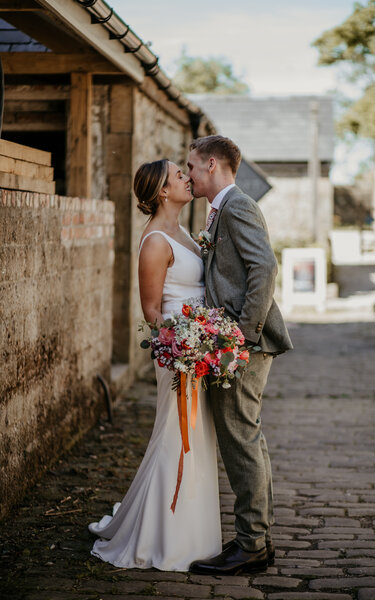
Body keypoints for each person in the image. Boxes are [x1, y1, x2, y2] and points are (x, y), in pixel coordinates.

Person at [88, 159, 222, 571]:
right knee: (176, 436)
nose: (187, 176)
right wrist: (186, 346)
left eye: (186, 171)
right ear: (163, 191)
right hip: (178, 352)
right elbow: (152, 312)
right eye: (178, 175)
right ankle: (161, 536)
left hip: (199, 348)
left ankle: (192, 531)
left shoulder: (182, 231)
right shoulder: (154, 243)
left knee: (197, 439)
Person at [187, 135, 293, 576]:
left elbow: (264, 268)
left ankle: (251, 545)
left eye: (191, 166)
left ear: (212, 164)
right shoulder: (222, 209)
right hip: (232, 342)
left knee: (241, 441)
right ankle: (256, 540)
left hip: (242, 346)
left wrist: (241, 338)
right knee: (247, 438)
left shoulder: (238, 205)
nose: (188, 174)